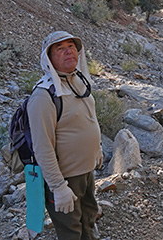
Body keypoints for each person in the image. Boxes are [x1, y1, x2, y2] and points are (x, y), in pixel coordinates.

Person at [28, 31, 103, 240]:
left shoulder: (79, 82)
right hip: (65, 177)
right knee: (71, 230)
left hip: (86, 172)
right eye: (59, 49)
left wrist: (96, 149)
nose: (68, 51)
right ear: (49, 59)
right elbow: (42, 147)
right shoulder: (44, 96)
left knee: (88, 217)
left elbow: (89, 118)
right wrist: (58, 187)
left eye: (71, 46)